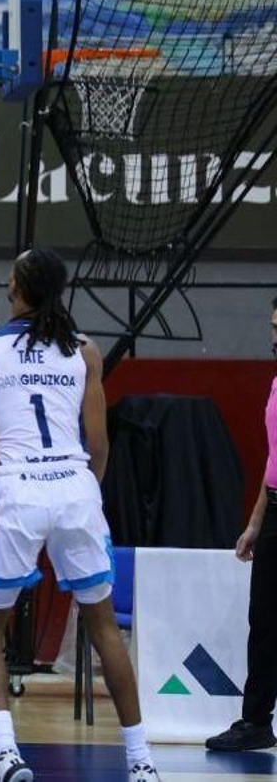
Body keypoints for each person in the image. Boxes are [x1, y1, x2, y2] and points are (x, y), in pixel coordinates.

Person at [0, 247, 158, 782]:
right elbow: (98, 445)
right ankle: (140, 761)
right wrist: (80, 493)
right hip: (74, 489)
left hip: (18, 494)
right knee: (104, 628)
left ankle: (7, 754)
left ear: (18, 287)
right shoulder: (85, 351)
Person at [204, 295, 277, 753]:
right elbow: (274, 459)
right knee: (265, 619)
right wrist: (254, 522)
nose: (274, 334)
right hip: (275, 510)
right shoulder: (276, 383)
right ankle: (255, 722)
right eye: (273, 325)